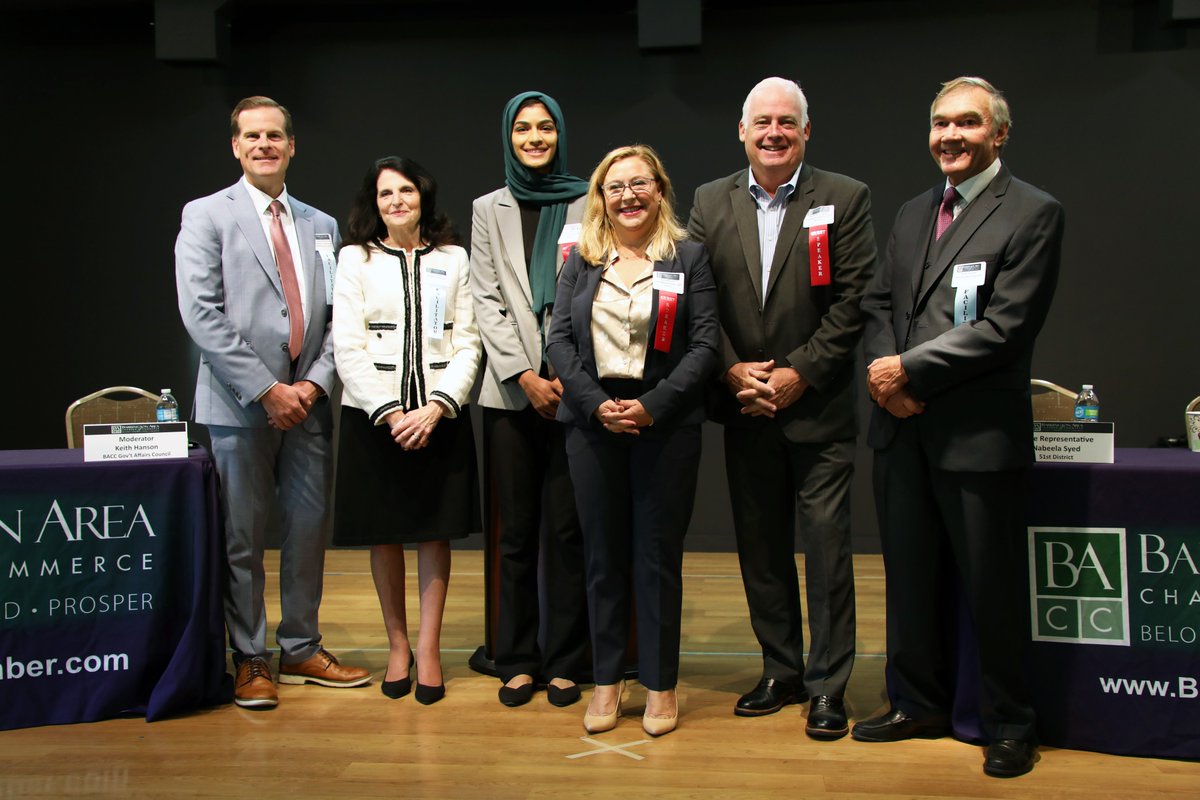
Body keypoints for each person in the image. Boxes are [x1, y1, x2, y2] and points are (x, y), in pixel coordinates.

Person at [852, 77, 1063, 779]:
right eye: (941, 123)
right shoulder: (914, 213)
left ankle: (1008, 722)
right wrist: (887, 375)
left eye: (967, 124)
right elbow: (878, 302)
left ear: (999, 134)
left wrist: (906, 370)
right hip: (902, 431)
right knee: (910, 581)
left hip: (975, 438)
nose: (951, 136)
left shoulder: (1033, 212)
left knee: (991, 589)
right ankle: (917, 702)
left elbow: (1006, 327)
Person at [687, 77, 875, 740]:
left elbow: (855, 301)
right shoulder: (710, 201)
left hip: (818, 408)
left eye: (785, 123)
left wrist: (799, 373)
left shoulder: (845, 198)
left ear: (805, 131)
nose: (773, 133)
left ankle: (828, 686)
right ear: (742, 131)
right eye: (761, 122)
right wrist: (733, 367)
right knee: (760, 547)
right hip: (744, 405)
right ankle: (781, 669)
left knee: (826, 551)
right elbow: (697, 297)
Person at [175, 96, 370, 709]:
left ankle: (302, 646)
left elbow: (342, 318)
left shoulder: (320, 224)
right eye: (252, 136)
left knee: (309, 530)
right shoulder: (207, 215)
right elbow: (200, 313)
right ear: (236, 146)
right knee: (243, 537)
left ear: (292, 146)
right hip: (240, 406)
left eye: (275, 136)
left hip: (309, 404)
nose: (264, 144)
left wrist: (312, 386)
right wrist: (267, 389)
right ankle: (251, 657)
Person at [546, 144, 719, 737]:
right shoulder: (581, 261)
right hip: (593, 426)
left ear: (660, 191)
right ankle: (605, 682)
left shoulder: (689, 257)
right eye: (615, 186)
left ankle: (661, 686)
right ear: (601, 198)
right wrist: (596, 407)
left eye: (639, 184)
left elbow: (704, 347)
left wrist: (650, 407)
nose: (628, 196)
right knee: (601, 561)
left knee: (656, 561)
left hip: (664, 426)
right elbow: (559, 344)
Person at [331, 157, 481, 705]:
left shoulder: (454, 258)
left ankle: (430, 648)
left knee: (433, 532)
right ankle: (397, 646)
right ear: (374, 203)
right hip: (376, 419)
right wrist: (392, 412)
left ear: (424, 196)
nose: (396, 200)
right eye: (385, 193)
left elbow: (469, 341)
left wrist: (438, 406)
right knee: (385, 532)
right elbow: (346, 345)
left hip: (438, 415)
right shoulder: (354, 259)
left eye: (406, 191)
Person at [469, 91, 591, 708]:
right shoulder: (486, 208)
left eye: (546, 127)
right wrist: (524, 375)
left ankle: (567, 660)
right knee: (515, 532)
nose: (535, 137)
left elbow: (591, 289)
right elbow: (485, 298)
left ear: (559, 133)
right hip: (510, 394)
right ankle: (516, 657)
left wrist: (563, 373)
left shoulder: (586, 198)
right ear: (509, 136)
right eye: (524, 128)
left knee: (567, 532)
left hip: (572, 388)